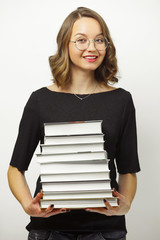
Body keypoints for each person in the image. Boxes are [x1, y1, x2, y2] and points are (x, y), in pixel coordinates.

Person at [8, 6, 140, 240]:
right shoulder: (40, 100)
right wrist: (27, 204)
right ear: (65, 45)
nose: (92, 47)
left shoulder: (121, 100)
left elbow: (128, 169)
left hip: (106, 229)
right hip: (49, 228)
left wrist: (126, 204)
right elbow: (16, 168)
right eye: (81, 40)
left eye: (99, 40)